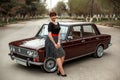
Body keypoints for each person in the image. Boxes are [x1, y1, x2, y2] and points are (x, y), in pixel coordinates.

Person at [45, 10, 67, 77]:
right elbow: (49, 35)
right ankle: (62, 71)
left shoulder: (57, 23)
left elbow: (59, 33)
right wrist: (54, 43)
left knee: (63, 54)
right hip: (51, 41)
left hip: (57, 40)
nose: (54, 17)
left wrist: (59, 41)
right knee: (57, 55)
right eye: (52, 16)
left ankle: (58, 69)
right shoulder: (50, 24)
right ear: (50, 17)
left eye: (54, 15)